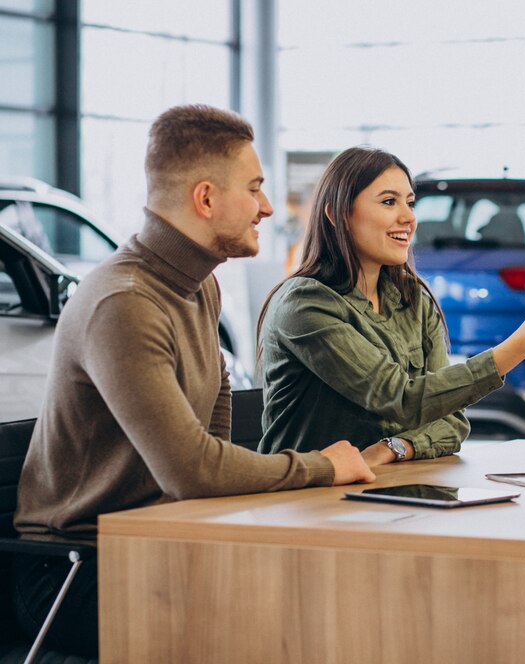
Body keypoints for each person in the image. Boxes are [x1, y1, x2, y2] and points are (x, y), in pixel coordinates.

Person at [11, 105, 376, 657]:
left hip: (164, 538)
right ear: (205, 198)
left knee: (340, 585)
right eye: (254, 189)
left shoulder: (197, 285)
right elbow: (193, 470)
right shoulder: (126, 302)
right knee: (293, 619)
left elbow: (216, 434)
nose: (268, 207)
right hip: (77, 571)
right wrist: (322, 467)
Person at [256, 146, 525, 465]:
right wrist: (520, 346)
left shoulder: (413, 298)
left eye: (410, 203)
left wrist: (393, 447)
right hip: (306, 501)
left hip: (387, 493)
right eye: (388, 202)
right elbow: (402, 399)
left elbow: (451, 421)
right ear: (336, 214)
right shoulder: (304, 304)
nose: (409, 217)